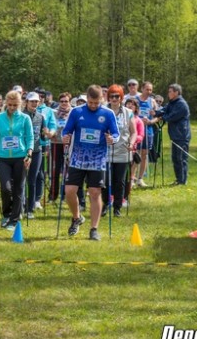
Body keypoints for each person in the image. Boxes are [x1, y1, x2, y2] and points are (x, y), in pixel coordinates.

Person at [62, 85, 119, 241]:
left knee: (95, 193)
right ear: (86, 99)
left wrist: (112, 139)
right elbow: (66, 130)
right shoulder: (77, 111)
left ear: (101, 99)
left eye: (96, 103)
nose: (93, 106)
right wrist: (65, 136)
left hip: (97, 158)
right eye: (91, 102)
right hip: (78, 158)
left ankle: (94, 229)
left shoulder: (108, 114)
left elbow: (116, 133)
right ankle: (76, 217)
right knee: (69, 191)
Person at [0, 90, 33, 230]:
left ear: (20, 104)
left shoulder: (25, 118)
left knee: (19, 189)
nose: (12, 108)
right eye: (10, 105)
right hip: (3, 158)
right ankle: (6, 214)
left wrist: (29, 154)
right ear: (5, 104)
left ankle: (14, 219)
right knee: (5, 188)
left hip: (20, 157)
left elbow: (30, 137)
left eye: (15, 105)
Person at [101, 85, 136, 217]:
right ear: (108, 97)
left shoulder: (128, 112)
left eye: (117, 96)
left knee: (120, 181)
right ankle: (105, 204)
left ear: (121, 97)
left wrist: (132, 143)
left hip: (122, 151)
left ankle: (117, 207)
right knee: (104, 180)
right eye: (112, 96)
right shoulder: (102, 111)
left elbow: (133, 132)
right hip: (106, 152)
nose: (114, 98)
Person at [154, 84, 191, 185]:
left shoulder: (181, 104)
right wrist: (156, 112)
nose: (168, 94)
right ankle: (178, 179)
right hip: (175, 136)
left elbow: (172, 116)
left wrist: (162, 117)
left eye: (170, 92)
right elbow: (164, 110)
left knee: (181, 158)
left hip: (182, 136)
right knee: (175, 158)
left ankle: (182, 180)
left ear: (176, 92)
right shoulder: (172, 103)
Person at [22, 92, 45, 218]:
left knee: (32, 180)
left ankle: (29, 209)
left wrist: (47, 134)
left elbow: (42, 135)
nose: (34, 104)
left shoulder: (41, 117)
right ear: (27, 102)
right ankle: (21, 205)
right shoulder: (21, 116)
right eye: (32, 101)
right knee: (21, 180)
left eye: (36, 101)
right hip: (21, 152)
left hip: (36, 152)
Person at [34, 87, 57, 210]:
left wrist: (50, 133)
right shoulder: (28, 110)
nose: (40, 98)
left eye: (42, 96)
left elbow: (53, 125)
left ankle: (37, 198)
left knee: (40, 172)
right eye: (38, 96)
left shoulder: (48, 111)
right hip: (28, 145)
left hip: (43, 144)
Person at [49, 92, 72, 203]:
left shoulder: (73, 112)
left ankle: (65, 195)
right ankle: (53, 195)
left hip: (68, 144)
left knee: (67, 171)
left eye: (66, 101)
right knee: (55, 170)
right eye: (62, 101)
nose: (64, 103)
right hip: (56, 143)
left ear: (69, 102)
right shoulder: (54, 113)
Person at [135, 81, 158, 187]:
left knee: (144, 154)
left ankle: (140, 178)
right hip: (136, 130)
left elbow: (158, 116)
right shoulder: (136, 100)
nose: (149, 91)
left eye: (150, 90)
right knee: (135, 154)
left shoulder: (152, 101)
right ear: (142, 88)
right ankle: (131, 178)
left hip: (148, 130)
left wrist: (150, 121)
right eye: (147, 89)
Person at [124, 98, 144, 206]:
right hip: (118, 149)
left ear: (136, 107)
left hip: (132, 149)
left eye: (132, 105)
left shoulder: (138, 120)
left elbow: (140, 135)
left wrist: (133, 140)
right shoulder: (120, 118)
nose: (130, 106)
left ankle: (126, 196)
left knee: (128, 173)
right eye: (128, 104)